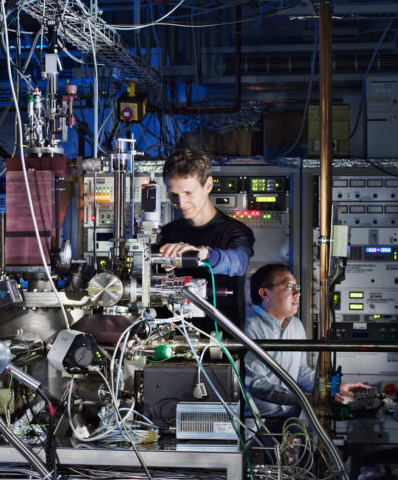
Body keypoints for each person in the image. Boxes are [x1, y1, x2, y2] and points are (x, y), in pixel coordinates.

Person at [244, 264, 369, 422]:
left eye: (296, 287)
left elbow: (301, 371)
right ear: (264, 293)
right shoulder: (249, 328)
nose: (297, 293)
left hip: (291, 418)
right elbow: (256, 384)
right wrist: (305, 398)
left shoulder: (296, 325)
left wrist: (334, 389)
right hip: (257, 422)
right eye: (289, 286)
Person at [158, 148, 255, 331]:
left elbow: (238, 262)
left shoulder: (235, 231)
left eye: (188, 193)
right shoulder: (168, 233)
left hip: (220, 345)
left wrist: (203, 253)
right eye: (174, 194)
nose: (181, 202)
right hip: (172, 340)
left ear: (208, 186)